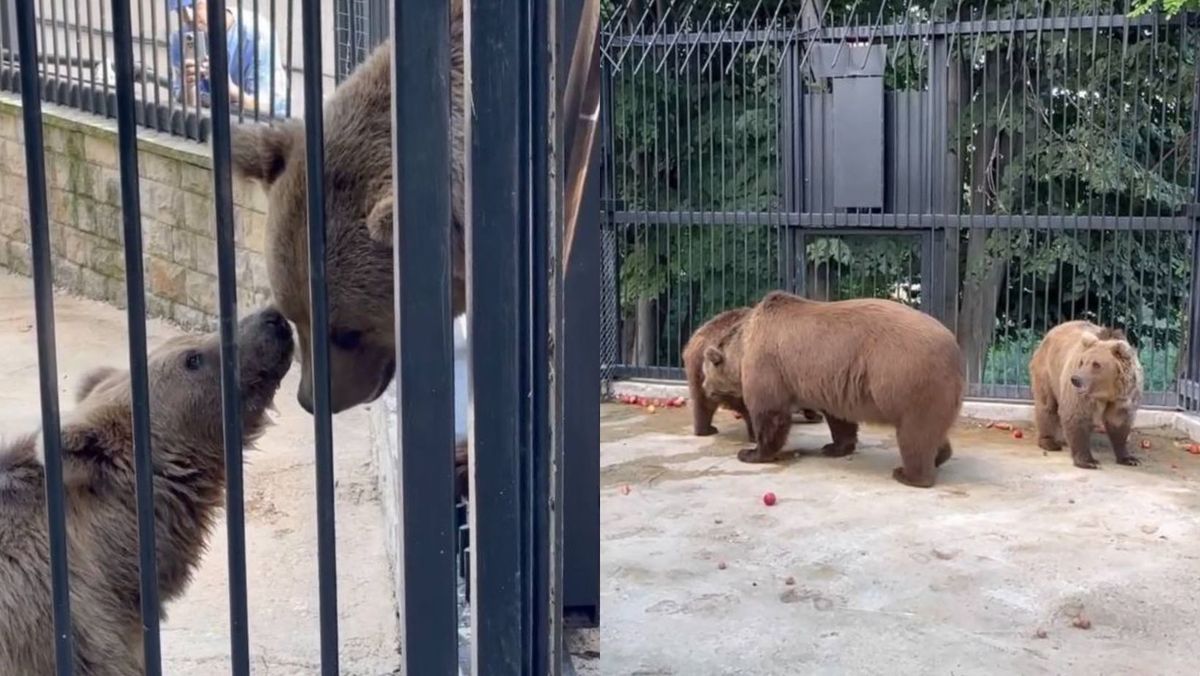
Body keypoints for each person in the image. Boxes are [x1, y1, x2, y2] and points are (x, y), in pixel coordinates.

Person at [167, 0, 288, 117]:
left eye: (195, 5)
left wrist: (229, 89)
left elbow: (268, 109)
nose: (189, 17)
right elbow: (189, 115)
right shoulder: (182, 38)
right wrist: (190, 87)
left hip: (255, 128)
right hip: (208, 127)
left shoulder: (258, 33)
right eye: (180, 10)